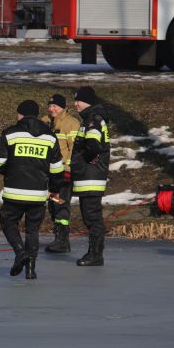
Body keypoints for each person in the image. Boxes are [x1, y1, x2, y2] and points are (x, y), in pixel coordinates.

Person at [0, 100, 64, 280]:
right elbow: (57, 169)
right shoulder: (50, 137)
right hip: (38, 194)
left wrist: (10, 171)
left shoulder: (10, 134)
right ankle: (31, 269)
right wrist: (53, 190)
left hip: (14, 191)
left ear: (21, 115)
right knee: (32, 230)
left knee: (8, 222)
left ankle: (20, 252)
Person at [70, 86, 110, 266]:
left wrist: (81, 162)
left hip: (90, 176)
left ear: (88, 102)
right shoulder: (90, 119)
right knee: (90, 216)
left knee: (92, 216)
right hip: (88, 175)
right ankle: (94, 253)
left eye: (78, 100)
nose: (75, 103)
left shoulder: (93, 119)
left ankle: (95, 255)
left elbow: (93, 145)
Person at [44, 93, 79, 254]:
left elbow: (75, 149)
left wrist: (69, 170)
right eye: (50, 106)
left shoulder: (71, 123)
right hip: (50, 173)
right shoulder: (46, 122)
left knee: (61, 205)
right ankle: (59, 238)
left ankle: (62, 241)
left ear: (63, 107)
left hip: (64, 173)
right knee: (53, 205)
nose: (52, 109)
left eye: (55, 106)